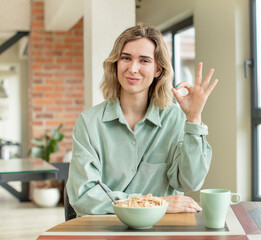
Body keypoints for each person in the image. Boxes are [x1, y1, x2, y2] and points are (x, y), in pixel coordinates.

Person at [66, 23, 218, 217]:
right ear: (116, 63)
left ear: (158, 70)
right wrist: (153, 202)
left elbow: (190, 182)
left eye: (144, 60)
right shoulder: (89, 123)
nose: (133, 68)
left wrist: (194, 118)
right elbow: (84, 197)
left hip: (161, 230)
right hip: (106, 230)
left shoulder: (175, 118)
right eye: (126, 58)